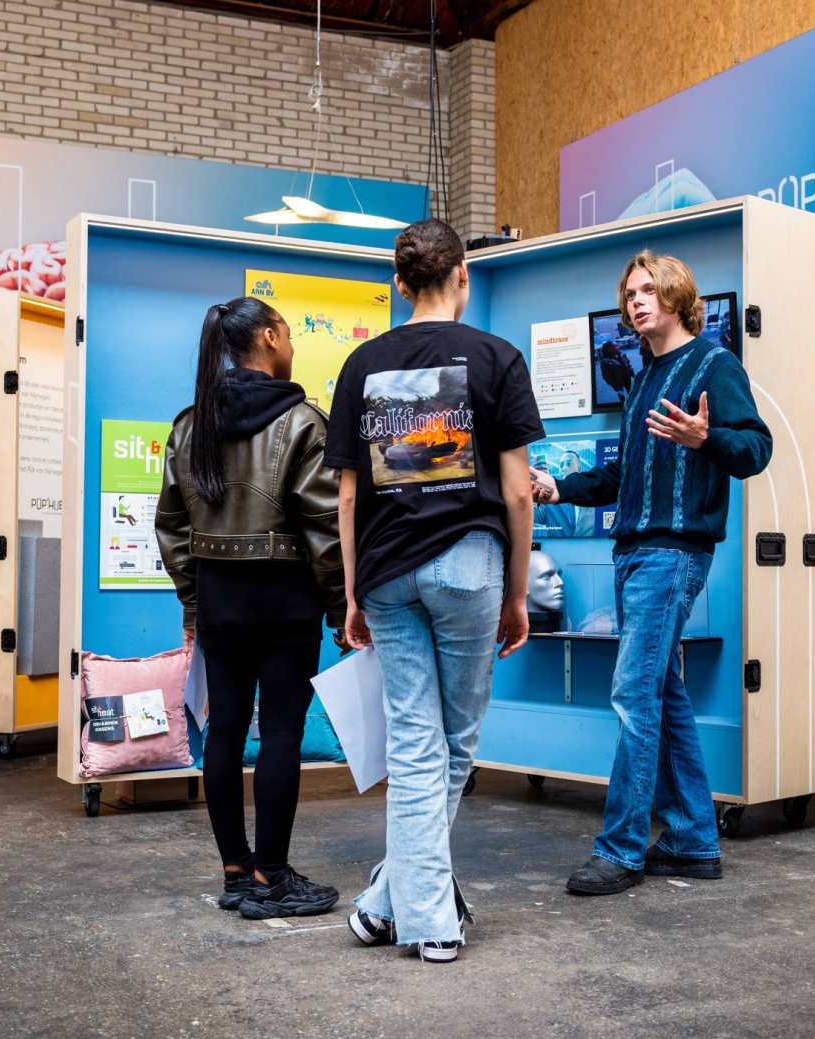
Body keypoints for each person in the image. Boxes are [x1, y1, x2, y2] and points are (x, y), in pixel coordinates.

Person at [325, 218, 543, 963]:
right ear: (463, 276)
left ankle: (388, 901)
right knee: (454, 745)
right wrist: (518, 595)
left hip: (385, 572)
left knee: (417, 743)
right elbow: (518, 495)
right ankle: (430, 922)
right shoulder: (497, 358)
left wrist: (353, 592)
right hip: (468, 566)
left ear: (399, 282)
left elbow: (348, 498)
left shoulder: (361, 365)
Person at [531, 252, 772, 895]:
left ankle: (622, 850)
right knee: (661, 696)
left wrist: (705, 439)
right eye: (629, 293)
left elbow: (756, 449)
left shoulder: (715, 365)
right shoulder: (642, 379)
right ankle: (694, 842)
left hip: (672, 554)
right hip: (632, 551)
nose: (634, 302)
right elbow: (621, 474)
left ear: (676, 296)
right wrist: (556, 485)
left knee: (632, 695)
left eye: (647, 291)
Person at [155, 296, 346, 920]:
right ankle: (274, 874)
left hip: (219, 601)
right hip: (284, 601)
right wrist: (343, 606)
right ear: (268, 337)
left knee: (225, 730)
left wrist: (193, 599)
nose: (290, 345)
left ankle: (236, 874)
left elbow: (172, 527)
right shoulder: (303, 422)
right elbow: (324, 529)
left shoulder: (191, 424)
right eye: (287, 334)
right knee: (283, 731)